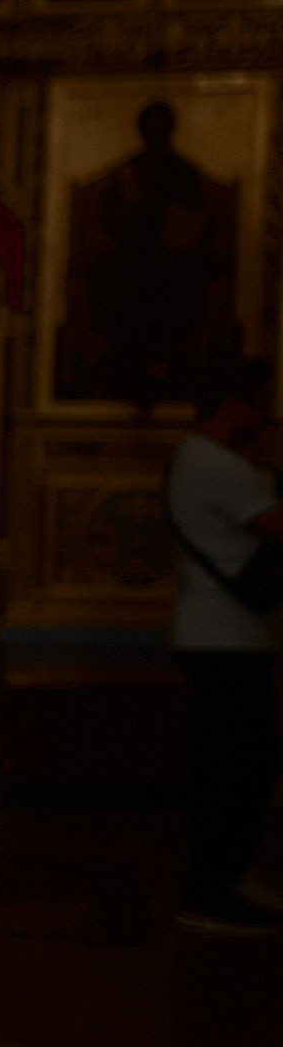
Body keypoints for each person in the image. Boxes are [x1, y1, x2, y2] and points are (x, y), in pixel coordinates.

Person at [164, 357, 283, 936]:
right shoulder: (219, 466)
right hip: (226, 638)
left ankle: (221, 881)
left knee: (234, 764)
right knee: (237, 768)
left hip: (221, 634)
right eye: (258, 403)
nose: (263, 415)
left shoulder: (197, 459)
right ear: (231, 405)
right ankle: (215, 889)